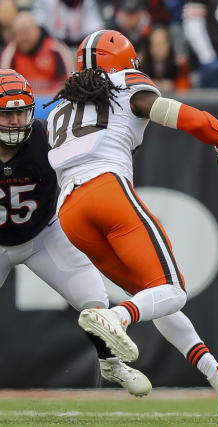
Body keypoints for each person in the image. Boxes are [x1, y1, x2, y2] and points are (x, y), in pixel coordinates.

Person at [44, 30, 218, 418]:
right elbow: (181, 115)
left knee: (157, 298)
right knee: (173, 290)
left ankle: (217, 374)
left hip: (69, 210)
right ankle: (115, 316)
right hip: (107, 189)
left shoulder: (59, 108)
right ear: (122, 64)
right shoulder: (125, 84)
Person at [0, 68, 151, 397]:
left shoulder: (47, 136)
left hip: (44, 234)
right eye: (6, 115)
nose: (14, 122)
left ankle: (110, 362)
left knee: (94, 300)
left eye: (20, 113)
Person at [0, 12, 73, 95]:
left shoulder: (56, 49)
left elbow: (68, 85)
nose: (24, 37)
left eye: (27, 31)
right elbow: (4, 88)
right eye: (19, 33)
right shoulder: (10, 53)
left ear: (37, 30)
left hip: (53, 102)